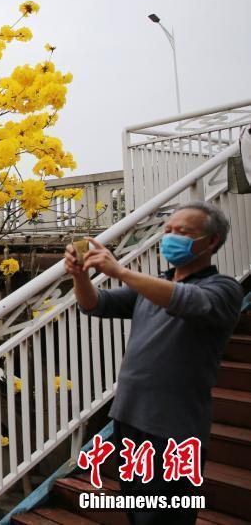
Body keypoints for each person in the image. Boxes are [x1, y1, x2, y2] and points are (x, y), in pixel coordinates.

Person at [65, 201, 243, 525]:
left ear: (211, 241)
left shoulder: (223, 289)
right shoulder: (149, 288)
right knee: (137, 511)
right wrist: (80, 276)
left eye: (182, 232)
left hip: (174, 430)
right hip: (129, 419)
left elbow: (185, 301)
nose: (170, 237)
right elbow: (95, 304)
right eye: (168, 230)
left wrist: (120, 271)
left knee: (165, 517)